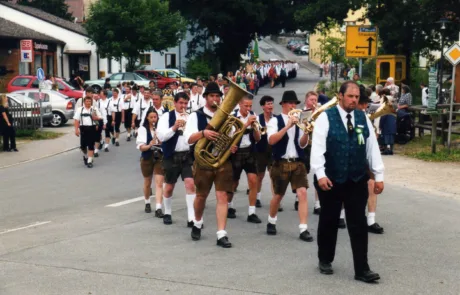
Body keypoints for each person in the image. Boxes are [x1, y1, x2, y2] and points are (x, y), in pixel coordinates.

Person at [311, 81, 384, 283]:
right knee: (329, 220)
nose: (353, 100)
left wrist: (379, 176)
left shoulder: (363, 118)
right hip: (332, 179)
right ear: (340, 96)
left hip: (356, 179)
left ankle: (362, 269)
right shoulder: (326, 117)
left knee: (358, 224)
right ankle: (325, 259)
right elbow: (317, 149)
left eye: (356, 97)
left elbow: (372, 148)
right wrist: (320, 174)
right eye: (350, 96)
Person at [184, 81, 233, 248]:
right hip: (203, 163)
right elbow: (188, 139)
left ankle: (221, 234)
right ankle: (197, 222)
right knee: (201, 197)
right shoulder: (195, 116)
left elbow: (231, 136)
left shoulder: (226, 116)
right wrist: (203, 133)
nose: (215, 99)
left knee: (222, 197)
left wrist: (231, 145)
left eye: (218, 96)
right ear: (206, 98)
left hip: (221, 162)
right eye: (212, 96)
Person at [266, 90, 313, 242]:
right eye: (291, 103)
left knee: (302, 194)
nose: (293, 105)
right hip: (281, 163)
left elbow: (302, 144)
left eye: (295, 103)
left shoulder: (300, 120)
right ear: (283, 104)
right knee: (278, 196)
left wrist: (306, 132)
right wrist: (287, 126)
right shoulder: (275, 120)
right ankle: (271, 220)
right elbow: (271, 140)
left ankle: (303, 229)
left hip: (298, 162)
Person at [156, 92, 196, 226]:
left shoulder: (190, 117)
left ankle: (191, 217)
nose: (183, 106)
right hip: (171, 156)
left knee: (190, 184)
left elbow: (193, 138)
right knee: (169, 187)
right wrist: (174, 127)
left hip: (186, 155)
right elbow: (161, 137)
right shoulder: (166, 117)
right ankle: (167, 212)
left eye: (185, 103)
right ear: (175, 103)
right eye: (181, 103)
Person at [226, 95, 262, 223]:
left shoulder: (253, 115)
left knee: (253, 181)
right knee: (233, 183)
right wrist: (246, 124)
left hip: (250, 151)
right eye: (246, 105)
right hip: (236, 153)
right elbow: (228, 136)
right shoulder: (232, 117)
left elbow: (258, 139)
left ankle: (251, 212)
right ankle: (229, 206)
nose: (248, 108)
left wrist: (254, 128)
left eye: (250, 106)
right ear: (240, 105)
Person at [356, 91, 385, 234]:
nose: (365, 106)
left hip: (363, 158)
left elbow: (371, 143)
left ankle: (371, 220)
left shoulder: (364, 117)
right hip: (346, 159)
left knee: (372, 185)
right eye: (363, 103)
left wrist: (377, 172)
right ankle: (341, 216)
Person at [137, 107, 165, 217]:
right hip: (147, 156)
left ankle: (158, 207)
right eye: (151, 117)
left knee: (159, 182)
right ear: (147, 118)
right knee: (147, 181)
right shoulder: (143, 129)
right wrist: (150, 144)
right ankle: (147, 202)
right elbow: (141, 147)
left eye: (155, 117)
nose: (154, 119)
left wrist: (161, 140)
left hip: (159, 157)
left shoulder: (160, 128)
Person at [255, 96, 274, 208]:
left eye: (271, 104)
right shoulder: (258, 118)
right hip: (261, 150)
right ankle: (257, 197)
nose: (270, 106)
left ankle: (275, 200)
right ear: (262, 106)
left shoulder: (276, 118)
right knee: (260, 175)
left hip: (272, 150)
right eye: (268, 104)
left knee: (274, 176)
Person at [74, 96, 102, 168]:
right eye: (87, 101)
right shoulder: (80, 110)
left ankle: (90, 161)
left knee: (90, 145)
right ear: (84, 102)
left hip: (92, 128)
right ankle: (86, 156)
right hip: (83, 129)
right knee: (83, 146)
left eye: (89, 101)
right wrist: (76, 129)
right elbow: (76, 120)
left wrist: (96, 118)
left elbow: (100, 117)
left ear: (91, 102)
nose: (88, 103)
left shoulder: (94, 109)